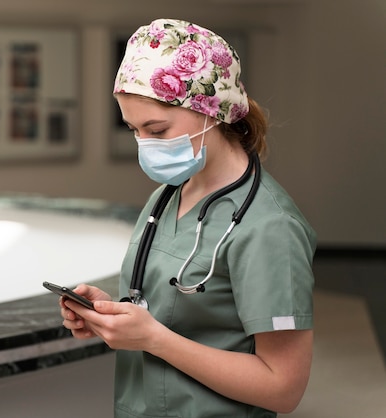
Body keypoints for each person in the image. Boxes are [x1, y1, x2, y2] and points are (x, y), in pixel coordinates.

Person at [58, 19, 317, 418]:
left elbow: (283, 388)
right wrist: (109, 315)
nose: (144, 145)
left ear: (211, 112)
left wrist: (153, 338)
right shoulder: (168, 196)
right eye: (133, 129)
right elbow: (172, 312)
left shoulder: (269, 228)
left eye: (157, 130)